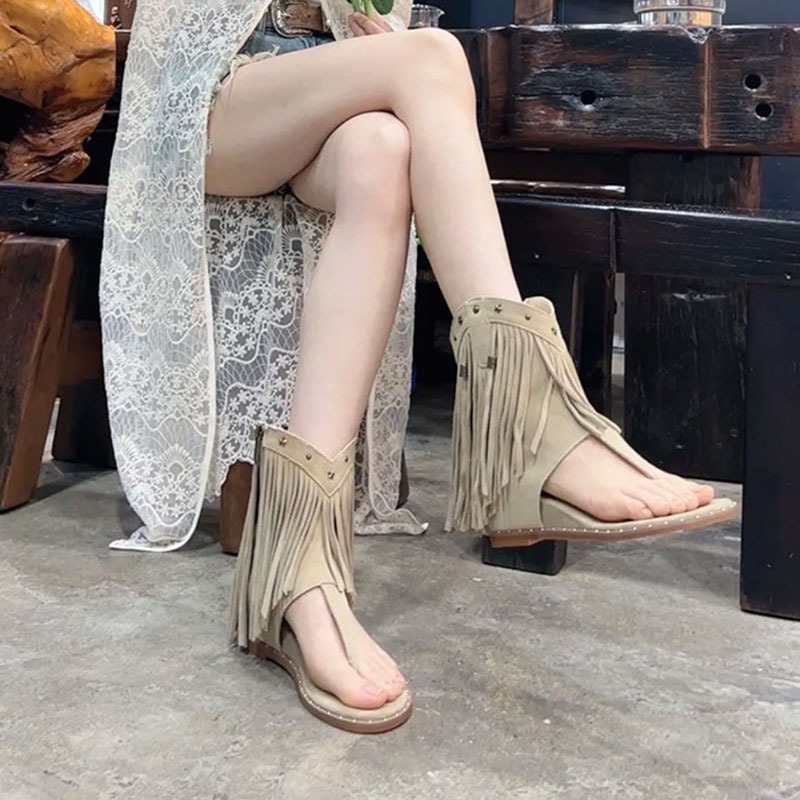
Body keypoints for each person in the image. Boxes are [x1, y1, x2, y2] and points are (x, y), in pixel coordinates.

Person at [101, 0, 737, 734]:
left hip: (315, 93)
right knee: (433, 58)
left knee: (380, 152)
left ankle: (295, 573)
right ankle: (529, 432)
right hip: (206, 94)